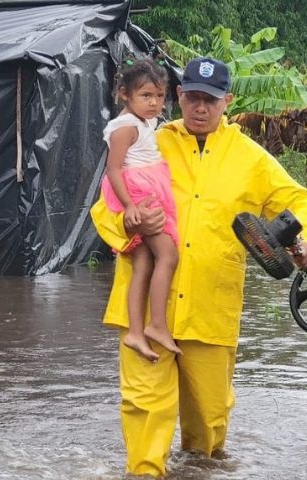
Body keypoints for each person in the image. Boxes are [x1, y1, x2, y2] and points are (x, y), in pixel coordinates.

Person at [90, 56, 307, 477]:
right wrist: (129, 223)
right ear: (178, 96)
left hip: (210, 310)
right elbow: (105, 202)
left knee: (208, 426)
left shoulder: (250, 159)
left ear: (227, 102)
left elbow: (300, 204)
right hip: (144, 310)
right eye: (192, 98)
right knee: (145, 406)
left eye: (211, 100)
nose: (200, 108)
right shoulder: (149, 140)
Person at [101, 57, 183, 362]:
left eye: (160, 96)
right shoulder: (124, 127)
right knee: (168, 254)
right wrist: (130, 206)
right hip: (135, 191)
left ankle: (136, 331)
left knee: (145, 262)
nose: (154, 104)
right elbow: (113, 170)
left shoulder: (144, 122)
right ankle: (157, 324)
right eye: (146, 96)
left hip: (145, 187)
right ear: (125, 94)